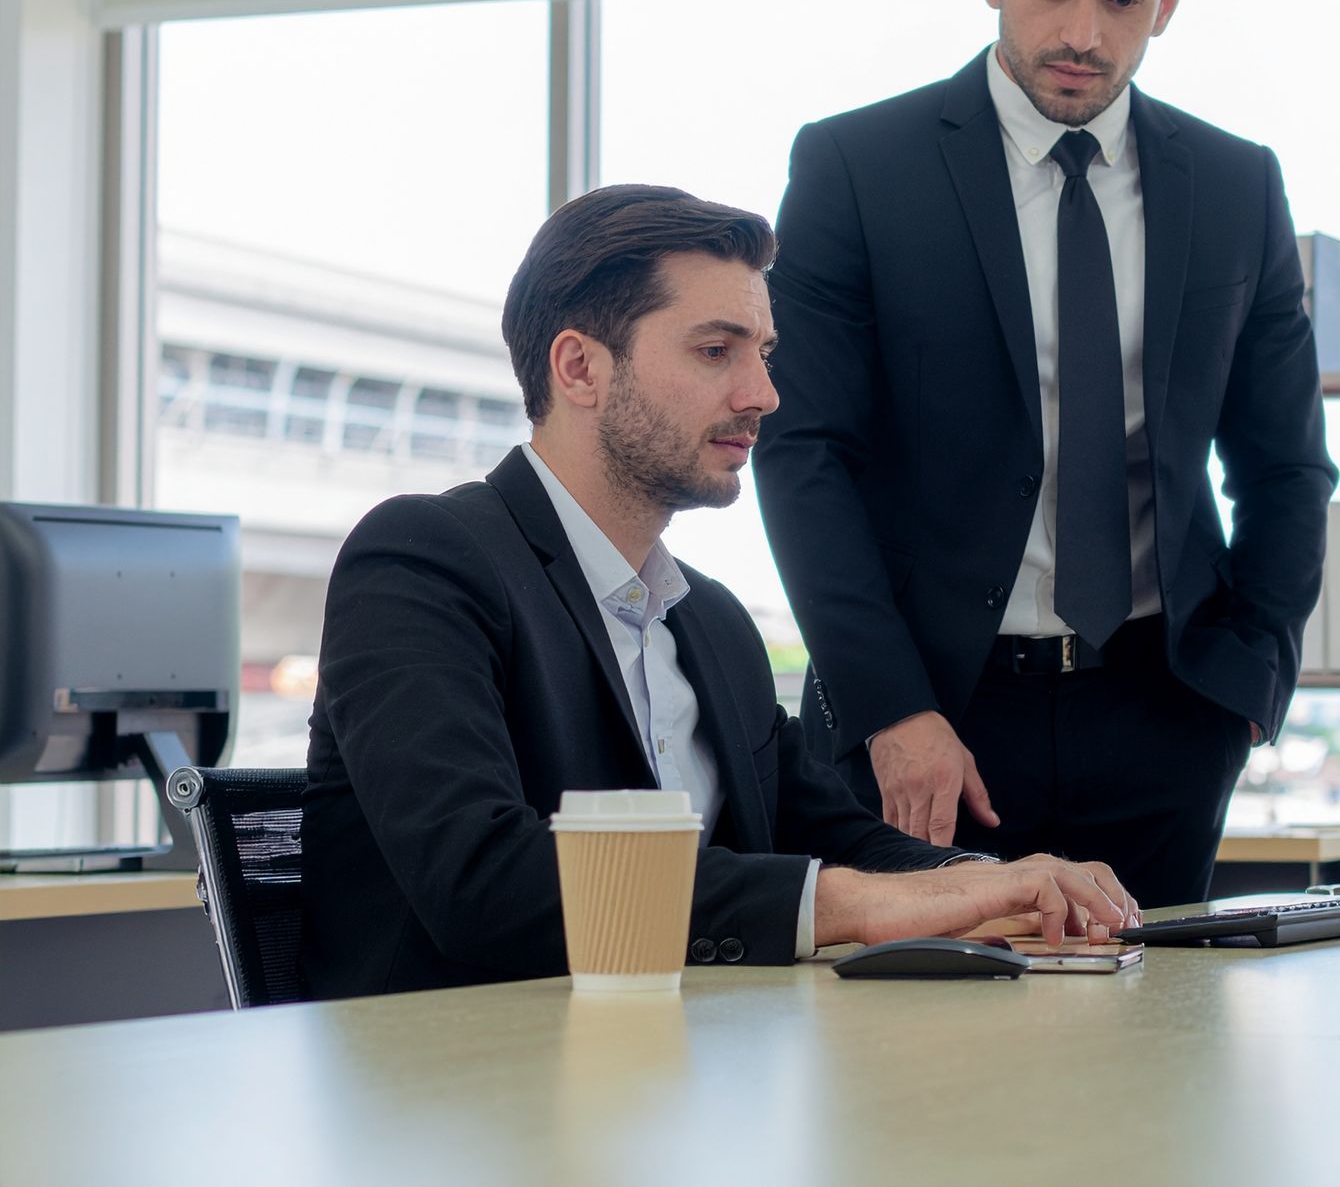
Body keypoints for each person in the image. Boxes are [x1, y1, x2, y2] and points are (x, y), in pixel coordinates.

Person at [302, 184, 1136, 999]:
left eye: (763, 354)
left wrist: (997, 883)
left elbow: (833, 834)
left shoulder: (711, 622)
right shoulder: (422, 560)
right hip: (458, 1093)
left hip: (673, 1080)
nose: (763, 395)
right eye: (715, 351)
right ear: (579, 366)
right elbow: (482, 881)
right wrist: (859, 906)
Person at [755, 0, 1338, 908]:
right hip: (933, 726)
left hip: (1166, 715)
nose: (1082, 32)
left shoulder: (1236, 185)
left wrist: (1248, 682)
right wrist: (890, 709)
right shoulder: (855, 167)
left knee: (1154, 1065)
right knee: (926, 1067)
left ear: (1167, 2)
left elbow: (1287, 466)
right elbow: (802, 453)